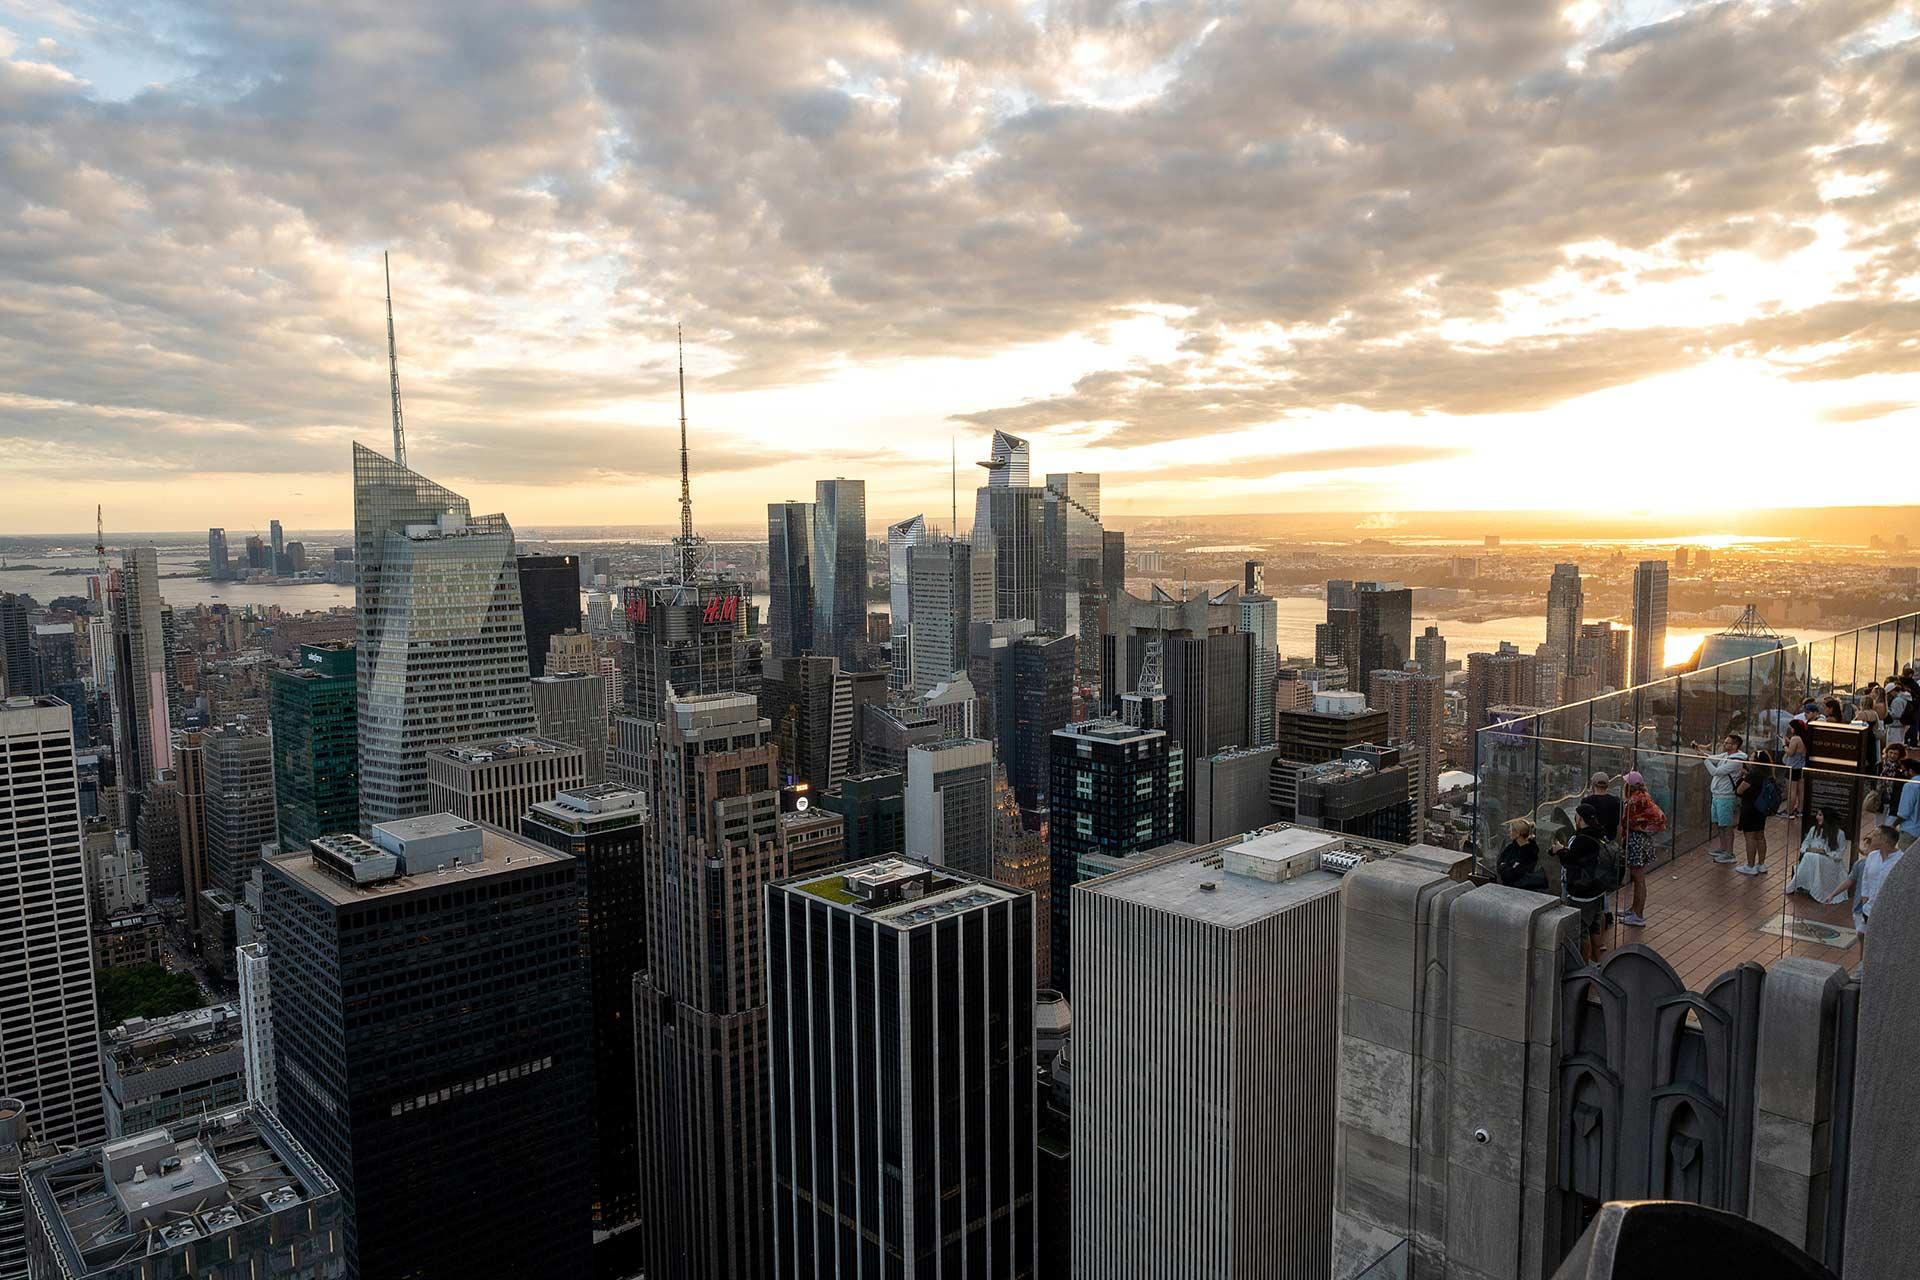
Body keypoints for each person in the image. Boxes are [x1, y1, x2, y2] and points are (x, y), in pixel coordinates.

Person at [1825, 823, 1905, 941]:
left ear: (1885, 840)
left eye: (1876, 835)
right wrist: (1864, 899)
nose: (1872, 837)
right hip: (1869, 909)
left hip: (1889, 911)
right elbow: (1866, 881)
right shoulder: (1872, 856)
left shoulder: (1901, 860)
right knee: (1864, 937)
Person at [1556, 802, 1615, 963]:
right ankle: (1598, 961)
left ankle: (1583, 966)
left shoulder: (1581, 840)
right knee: (1596, 925)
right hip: (1598, 889)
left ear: (1580, 819)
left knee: (1582, 931)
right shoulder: (1599, 834)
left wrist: (1559, 851)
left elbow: (1570, 862)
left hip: (1582, 893)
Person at [1619, 771, 1666, 927]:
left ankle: (1638, 914)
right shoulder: (1645, 796)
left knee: (1638, 878)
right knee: (1638, 877)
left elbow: (1626, 822)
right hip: (1643, 840)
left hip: (1636, 840)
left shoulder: (1634, 801)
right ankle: (1634, 909)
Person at [1784, 808, 1849, 902]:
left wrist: (1826, 852)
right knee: (1810, 856)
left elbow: (1839, 854)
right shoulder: (1813, 829)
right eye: (1817, 814)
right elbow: (1805, 844)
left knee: (1814, 857)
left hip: (1831, 862)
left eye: (1820, 815)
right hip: (1814, 858)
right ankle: (1801, 885)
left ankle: (1802, 886)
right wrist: (1809, 849)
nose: (1817, 817)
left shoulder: (1840, 833)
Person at [1702, 734, 1747, 864]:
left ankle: (1730, 853)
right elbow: (1713, 758)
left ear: (1735, 745)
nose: (1724, 745)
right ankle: (1723, 848)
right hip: (1717, 795)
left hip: (1726, 797)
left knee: (1727, 826)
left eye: (1727, 743)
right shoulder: (1726, 755)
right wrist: (1702, 753)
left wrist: (1704, 759)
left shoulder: (1736, 761)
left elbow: (1716, 771)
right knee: (1719, 824)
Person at [1732, 749, 1778, 876]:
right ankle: (1761, 864)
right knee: (1760, 836)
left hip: (1750, 809)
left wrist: (1743, 778)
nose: (1749, 760)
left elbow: (1740, 791)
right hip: (1761, 809)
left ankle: (1750, 866)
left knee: (1750, 837)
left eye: (1752, 758)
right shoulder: (1768, 774)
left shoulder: (1752, 775)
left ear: (1756, 761)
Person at [1496, 817, 1548, 892]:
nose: (1509, 832)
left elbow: (1518, 872)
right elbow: (1500, 864)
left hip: (1524, 890)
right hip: (1508, 888)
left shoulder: (1531, 852)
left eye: (1511, 830)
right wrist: (1509, 867)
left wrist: (1506, 867)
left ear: (1518, 833)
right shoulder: (1510, 848)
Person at [1582, 771, 1622, 845]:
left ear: (1593, 785)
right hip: (1610, 842)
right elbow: (1619, 824)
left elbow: (1581, 824)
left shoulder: (1587, 801)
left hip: (1591, 842)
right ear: (1607, 785)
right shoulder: (1616, 801)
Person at [1781, 722, 1808, 820]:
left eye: (1791, 727)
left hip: (1793, 767)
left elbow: (1790, 753)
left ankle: (1790, 812)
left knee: (1792, 791)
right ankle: (1800, 810)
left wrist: (1784, 745)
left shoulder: (1795, 738)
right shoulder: (1804, 738)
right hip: (1801, 767)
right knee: (1801, 791)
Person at [1896, 755, 1920, 851]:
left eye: (1903, 771)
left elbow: (1904, 812)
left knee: (1905, 861)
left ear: (1910, 771)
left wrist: (1893, 825)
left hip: (1910, 830)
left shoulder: (1910, 785)